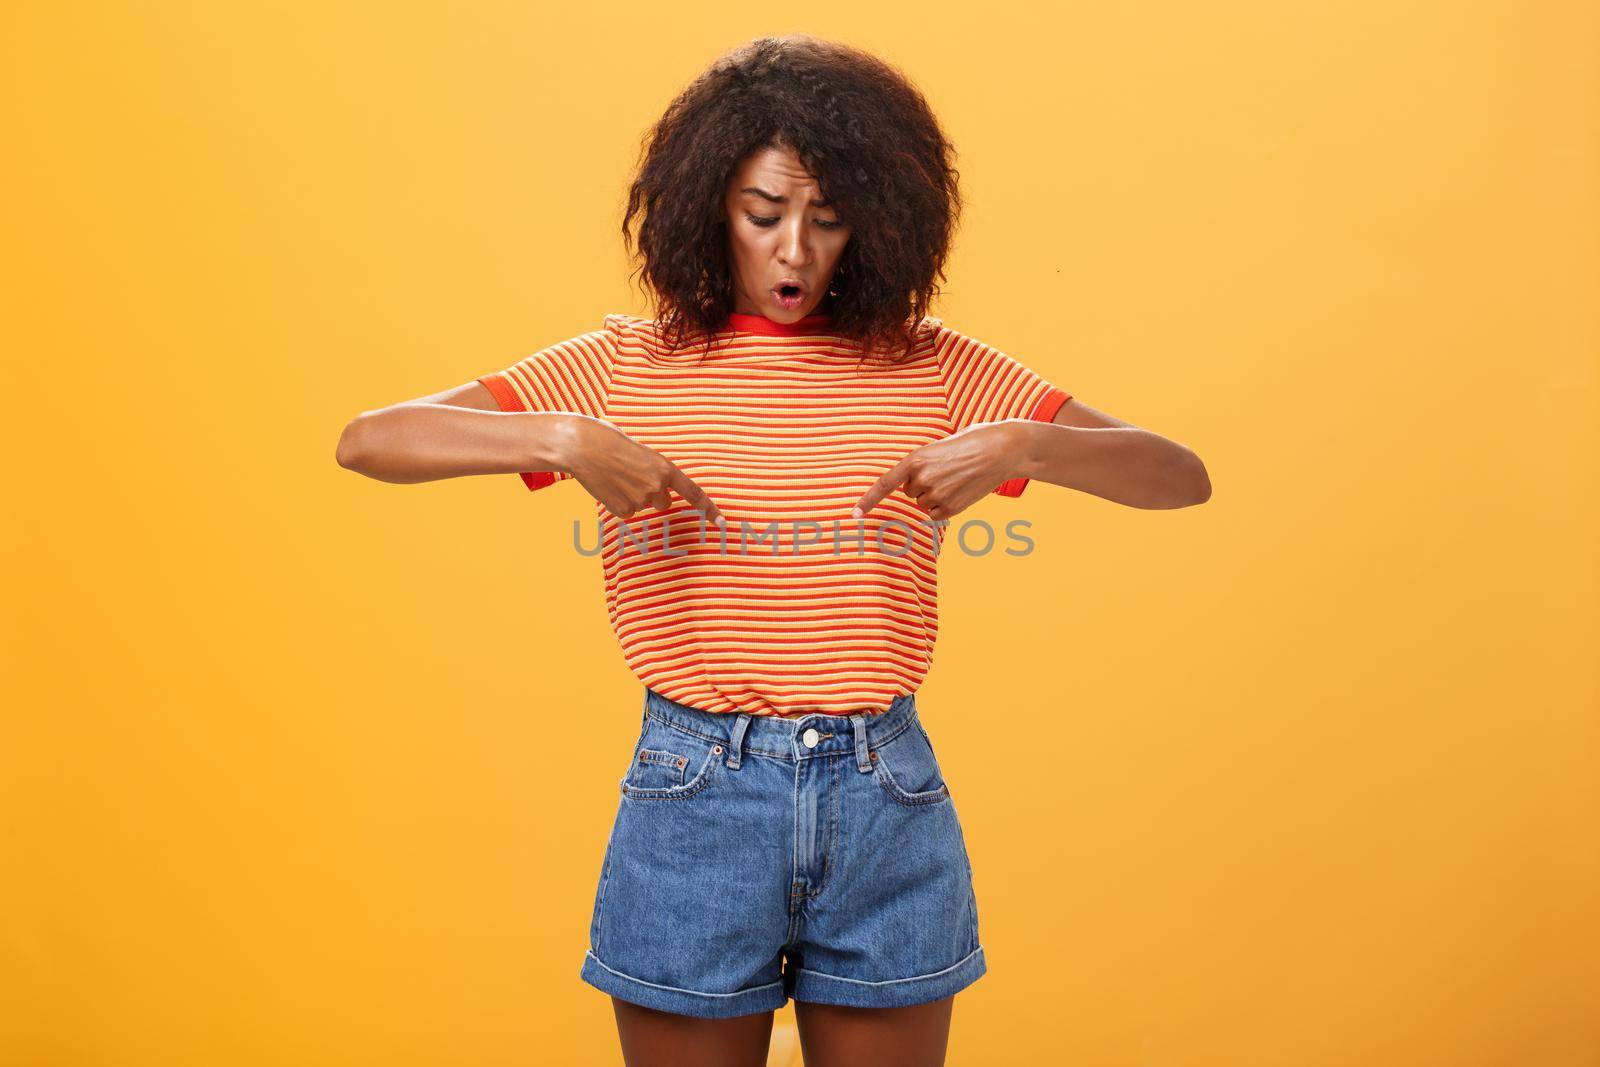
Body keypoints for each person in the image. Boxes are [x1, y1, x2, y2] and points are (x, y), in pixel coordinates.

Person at [336, 33, 1209, 1067]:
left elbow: (1176, 474)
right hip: (694, 790)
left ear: (875, 224)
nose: (794, 249)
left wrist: (1027, 442)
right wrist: (561, 438)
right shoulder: (623, 363)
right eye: (764, 214)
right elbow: (371, 438)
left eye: (827, 218)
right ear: (710, 207)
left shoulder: (932, 366)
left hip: (883, 793)